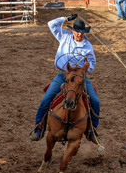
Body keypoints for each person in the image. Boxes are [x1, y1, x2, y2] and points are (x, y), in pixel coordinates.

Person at [29, 14, 101, 144]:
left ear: (84, 33)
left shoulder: (88, 46)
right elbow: (51, 24)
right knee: (46, 98)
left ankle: (92, 130)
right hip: (63, 75)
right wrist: (66, 18)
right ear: (72, 30)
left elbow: (92, 65)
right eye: (77, 31)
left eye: (81, 32)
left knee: (95, 101)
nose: (79, 34)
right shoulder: (65, 36)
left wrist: (86, 67)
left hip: (79, 78)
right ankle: (38, 127)